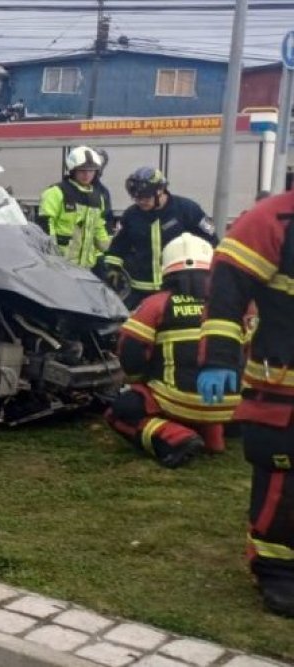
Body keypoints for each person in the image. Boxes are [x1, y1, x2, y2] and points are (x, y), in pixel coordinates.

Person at [198, 189, 294, 619]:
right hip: (283, 387)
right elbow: (228, 284)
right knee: (282, 481)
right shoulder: (278, 218)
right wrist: (219, 357)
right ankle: (277, 570)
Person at [105, 234, 235, 469]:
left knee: (122, 410)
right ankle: (214, 437)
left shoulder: (157, 304)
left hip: (178, 401)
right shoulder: (229, 305)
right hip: (229, 405)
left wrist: (138, 383)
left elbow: (130, 351)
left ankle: (177, 438)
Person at [101, 167, 216, 308]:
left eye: (146, 197)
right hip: (141, 290)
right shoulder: (131, 215)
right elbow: (117, 247)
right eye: (137, 198)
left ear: (160, 191)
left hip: (179, 288)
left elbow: (211, 242)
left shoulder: (187, 210)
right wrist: (113, 270)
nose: (141, 202)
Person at [37, 145, 112, 269]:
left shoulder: (99, 197)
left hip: (86, 267)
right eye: (82, 170)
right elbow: (45, 225)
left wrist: (111, 250)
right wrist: (51, 255)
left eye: (91, 170)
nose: (87, 175)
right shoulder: (56, 192)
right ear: (73, 170)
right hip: (60, 264)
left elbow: (99, 228)